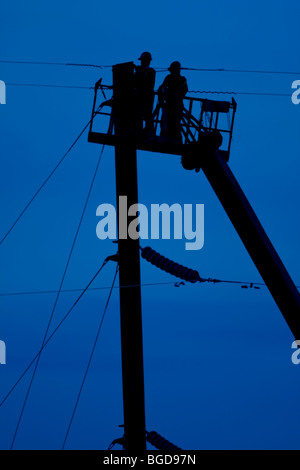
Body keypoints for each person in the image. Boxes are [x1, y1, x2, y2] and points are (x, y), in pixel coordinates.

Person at [157, 61, 188, 142]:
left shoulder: (180, 80)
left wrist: (166, 95)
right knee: (169, 123)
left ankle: (172, 139)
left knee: (173, 124)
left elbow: (182, 91)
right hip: (171, 106)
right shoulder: (171, 78)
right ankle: (170, 138)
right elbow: (161, 89)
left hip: (174, 106)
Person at [134, 52, 156, 135]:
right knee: (140, 115)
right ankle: (141, 131)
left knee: (145, 115)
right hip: (142, 96)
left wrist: (139, 70)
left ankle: (146, 132)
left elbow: (145, 80)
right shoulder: (144, 70)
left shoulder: (151, 71)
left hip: (144, 96)